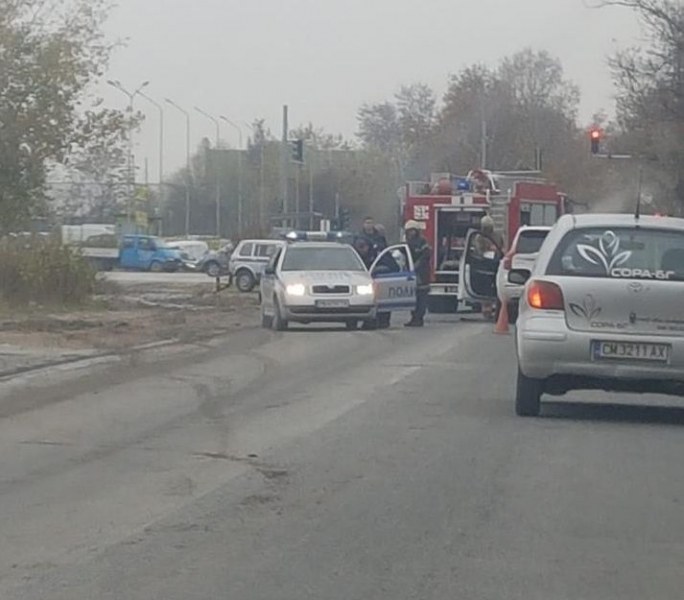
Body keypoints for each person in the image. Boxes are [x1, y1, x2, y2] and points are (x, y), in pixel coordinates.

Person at [404, 219, 431, 328]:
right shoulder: (407, 243)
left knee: (421, 296)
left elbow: (426, 256)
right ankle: (414, 317)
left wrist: (416, 266)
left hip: (422, 273)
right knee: (414, 297)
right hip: (411, 273)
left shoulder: (422, 241)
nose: (411, 233)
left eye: (412, 230)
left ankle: (419, 318)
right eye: (409, 231)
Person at [477, 215, 504, 320]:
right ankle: (486, 309)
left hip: (496, 264)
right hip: (485, 265)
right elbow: (479, 251)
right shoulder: (479, 237)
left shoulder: (496, 236)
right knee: (486, 287)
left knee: (495, 287)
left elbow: (502, 248)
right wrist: (489, 250)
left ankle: (493, 308)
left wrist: (496, 252)